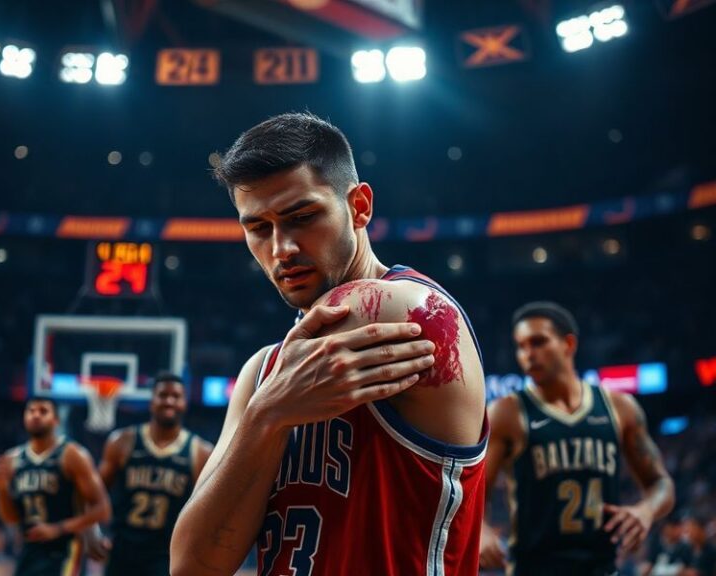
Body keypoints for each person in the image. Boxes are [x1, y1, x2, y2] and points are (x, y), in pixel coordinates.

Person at [170, 112, 488, 576]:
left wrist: (264, 409)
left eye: (302, 217)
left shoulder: (404, 308)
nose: (281, 249)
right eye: (258, 228)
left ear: (359, 206)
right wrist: (265, 417)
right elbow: (191, 566)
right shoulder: (264, 375)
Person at [479, 301, 675, 576]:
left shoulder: (619, 407)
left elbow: (661, 483)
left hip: (602, 568)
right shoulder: (506, 413)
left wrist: (645, 511)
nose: (527, 354)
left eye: (538, 342)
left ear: (568, 344)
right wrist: (482, 531)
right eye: (521, 346)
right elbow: (472, 494)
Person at [87, 373, 213, 576]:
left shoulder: (200, 452)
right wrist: (91, 532)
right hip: (122, 553)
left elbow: (208, 513)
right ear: (151, 401)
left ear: (185, 403)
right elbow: (93, 495)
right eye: (163, 395)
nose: (169, 401)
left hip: (166, 556)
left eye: (176, 396)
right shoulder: (122, 441)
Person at [0, 396, 111, 576]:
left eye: (43, 411)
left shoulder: (73, 455)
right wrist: (1, 490)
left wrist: (58, 529)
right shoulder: (12, 460)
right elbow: (11, 518)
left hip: (66, 551)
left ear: (56, 420)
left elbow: (103, 510)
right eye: (31, 411)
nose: (36, 415)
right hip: (30, 551)